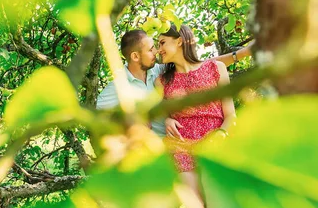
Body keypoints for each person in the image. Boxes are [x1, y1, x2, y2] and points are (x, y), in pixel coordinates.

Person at [156, 23, 236, 208]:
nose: (160, 49)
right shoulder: (163, 79)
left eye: (163, 42)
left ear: (181, 41)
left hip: (214, 145)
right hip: (181, 148)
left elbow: (229, 116)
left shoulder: (216, 69)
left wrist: (222, 137)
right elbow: (151, 110)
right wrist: (165, 119)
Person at [97, 28, 251, 138]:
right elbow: (97, 122)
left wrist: (244, 53)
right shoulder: (116, 89)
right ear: (136, 56)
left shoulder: (159, 71)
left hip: (175, 143)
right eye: (151, 50)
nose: (156, 51)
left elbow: (202, 65)